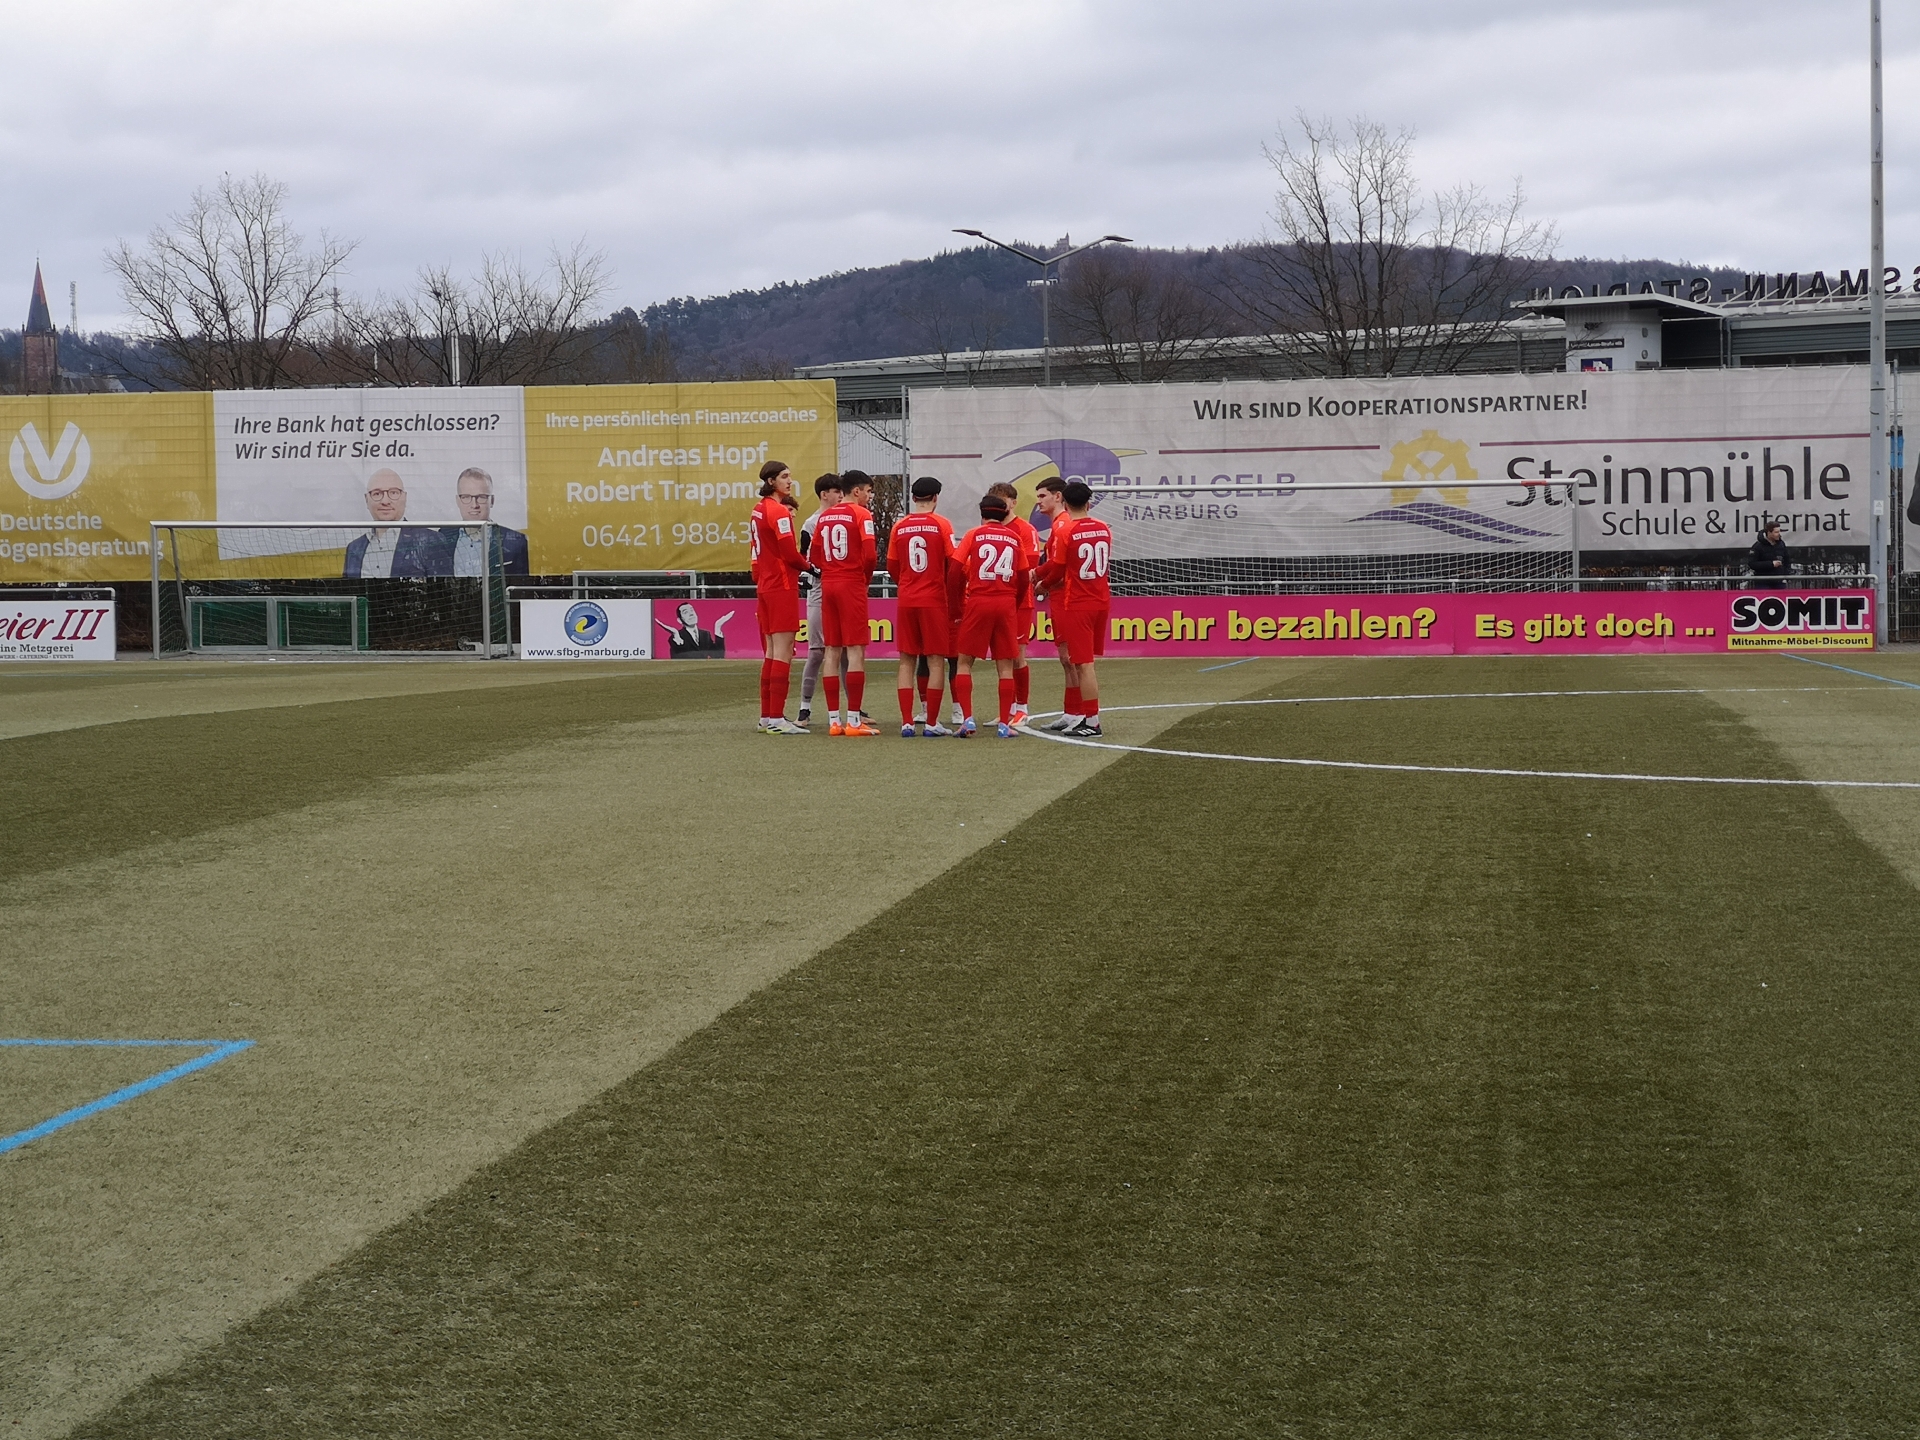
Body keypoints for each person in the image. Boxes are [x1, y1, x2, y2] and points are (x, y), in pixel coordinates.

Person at [951, 492, 1032, 738]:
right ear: (1005, 513)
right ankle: (1005, 724)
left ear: (982, 513)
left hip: (978, 600)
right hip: (1005, 602)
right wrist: (1014, 602)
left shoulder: (973, 534)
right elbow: (1023, 577)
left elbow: (954, 571)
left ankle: (967, 719)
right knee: (1005, 665)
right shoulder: (1014, 537)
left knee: (964, 662)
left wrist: (955, 607)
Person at [1036, 480, 1112, 736]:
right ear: (1089, 503)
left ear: (1065, 502)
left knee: (1083, 664)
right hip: (1100, 600)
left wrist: (1042, 584)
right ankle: (1078, 715)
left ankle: (1091, 721)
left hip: (1078, 602)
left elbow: (1058, 568)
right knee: (1081, 662)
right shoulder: (1103, 528)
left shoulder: (1066, 530)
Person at [886, 476, 958, 737]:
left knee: (906, 660)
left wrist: (907, 583)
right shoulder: (942, 524)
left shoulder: (899, 526)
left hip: (907, 599)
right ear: (936, 498)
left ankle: (907, 722)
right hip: (934, 599)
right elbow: (953, 562)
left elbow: (892, 565)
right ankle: (931, 723)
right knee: (936, 660)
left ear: (914, 498)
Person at [811, 469, 879, 735]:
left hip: (829, 584)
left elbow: (815, 555)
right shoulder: (861, 514)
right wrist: (864, 579)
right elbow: (870, 555)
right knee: (855, 650)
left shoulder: (825, 516)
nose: (869, 497)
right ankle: (853, 720)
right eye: (868, 491)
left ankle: (833, 721)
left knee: (832, 650)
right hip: (851, 583)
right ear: (857, 490)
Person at [749, 460, 806, 734]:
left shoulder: (758, 510)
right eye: (784, 476)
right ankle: (777, 719)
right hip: (782, 586)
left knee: (772, 652)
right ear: (771, 481)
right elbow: (790, 554)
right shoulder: (779, 511)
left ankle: (766, 717)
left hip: (766, 586)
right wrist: (811, 567)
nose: (789, 481)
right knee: (783, 651)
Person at [987, 480, 1044, 724]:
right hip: (997, 600)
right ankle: (1007, 709)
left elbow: (1030, 567)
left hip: (1019, 601)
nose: (1001, 506)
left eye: (1004, 501)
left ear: (1013, 503)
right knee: (1001, 655)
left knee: (1017, 655)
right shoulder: (989, 529)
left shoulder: (1025, 529)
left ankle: (1022, 707)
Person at [796, 474, 848, 728]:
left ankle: (854, 708)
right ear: (824, 494)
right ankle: (804, 708)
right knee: (817, 651)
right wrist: (813, 573)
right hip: (819, 592)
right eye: (836, 491)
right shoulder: (811, 524)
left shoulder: (846, 519)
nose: (840, 495)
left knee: (847, 650)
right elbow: (804, 558)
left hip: (842, 590)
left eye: (841, 491)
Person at [344, 469, 453, 578]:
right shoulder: (354, 548)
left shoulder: (430, 541)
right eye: (377, 493)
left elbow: (444, 587)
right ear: (366, 500)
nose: (385, 501)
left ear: (404, 497)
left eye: (393, 492)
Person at [1031, 477, 1078, 728]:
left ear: (1058, 496)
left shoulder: (1063, 525)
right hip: (1060, 596)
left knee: (1072, 658)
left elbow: (1059, 564)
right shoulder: (1059, 525)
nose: (1038, 501)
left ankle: (1081, 713)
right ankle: (1071, 712)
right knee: (1066, 658)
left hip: (1067, 597)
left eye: (1042, 496)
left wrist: (1040, 579)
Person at [442, 467, 530, 577]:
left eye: (481, 497)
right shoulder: (443, 537)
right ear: (458, 501)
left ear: (491, 501)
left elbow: (520, 586)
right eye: (466, 497)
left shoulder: (515, 542)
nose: (474, 505)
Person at [657, 600, 732, 658]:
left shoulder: (705, 634)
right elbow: (679, 658)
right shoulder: (676, 636)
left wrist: (717, 627)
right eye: (686, 612)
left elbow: (718, 655)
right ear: (679, 620)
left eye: (692, 610)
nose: (691, 614)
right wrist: (678, 639)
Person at [1749, 521, 1789, 589]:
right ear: (1769, 532)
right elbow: (1752, 563)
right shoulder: (1758, 546)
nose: (1779, 534)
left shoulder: (1781, 544)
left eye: (1779, 531)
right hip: (1763, 582)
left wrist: (1786, 575)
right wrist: (1771, 564)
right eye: (1776, 532)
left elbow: (1787, 560)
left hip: (1779, 581)